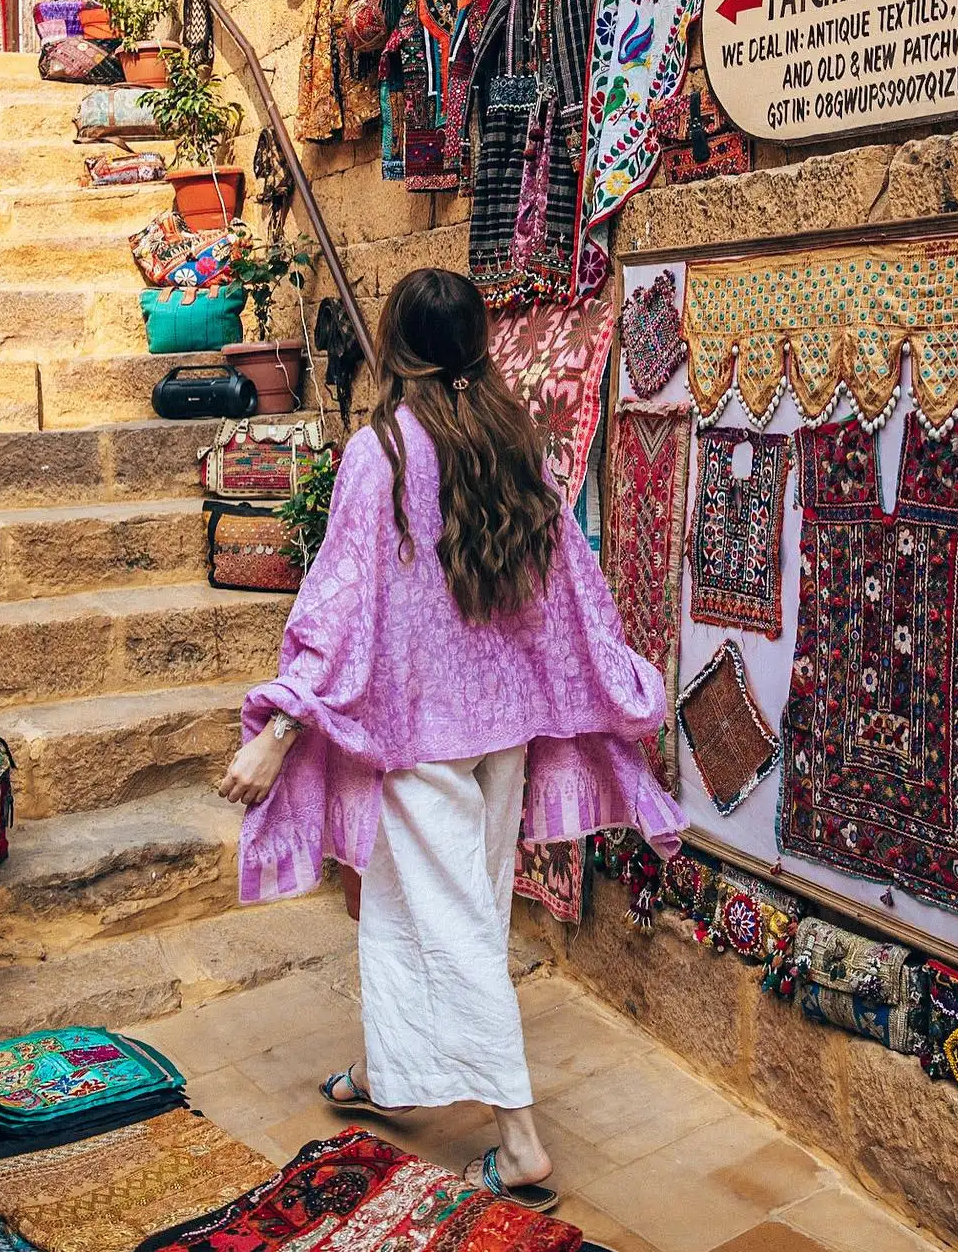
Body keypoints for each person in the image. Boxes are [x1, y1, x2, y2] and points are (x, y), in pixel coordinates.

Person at [221, 267, 685, 1212]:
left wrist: (280, 724)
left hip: (423, 734)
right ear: (477, 342)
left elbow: (338, 605)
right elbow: (572, 587)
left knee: (454, 926)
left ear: (396, 346)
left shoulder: (380, 450)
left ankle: (519, 1145)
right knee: (426, 908)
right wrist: (606, 676)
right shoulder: (522, 444)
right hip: (499, 730)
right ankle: (388, 1071)